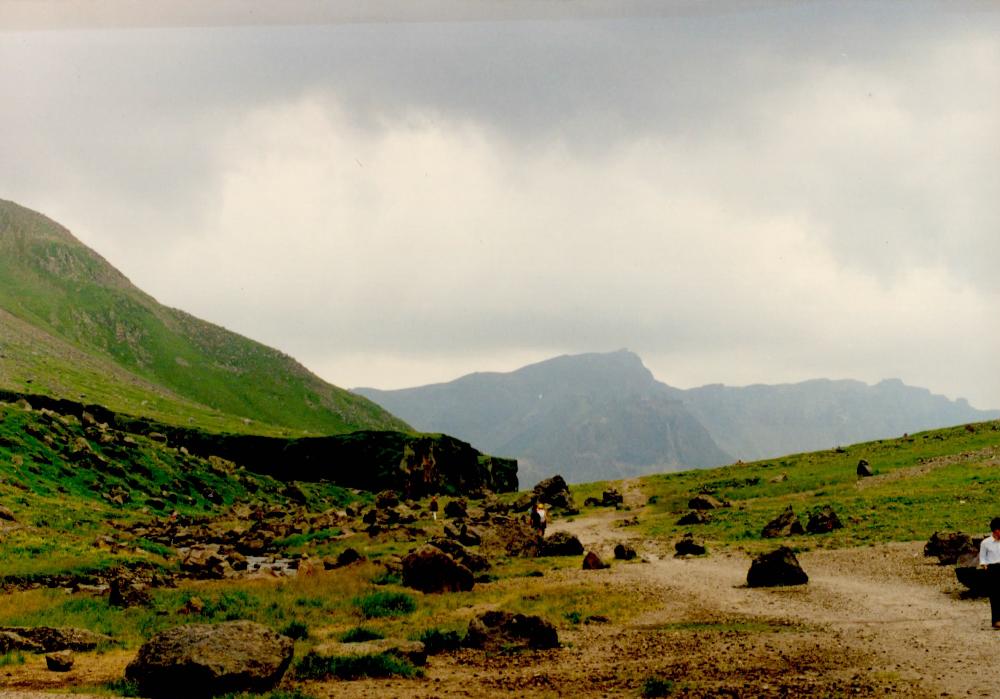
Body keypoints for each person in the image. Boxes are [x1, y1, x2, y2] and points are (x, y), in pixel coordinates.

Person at [979, 517, 1000, 628]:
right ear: (996, 530)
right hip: (993, 569)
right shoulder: (985, 543)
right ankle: (996, 620)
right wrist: (985, 566)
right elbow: (982, 558)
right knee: (995, 596)